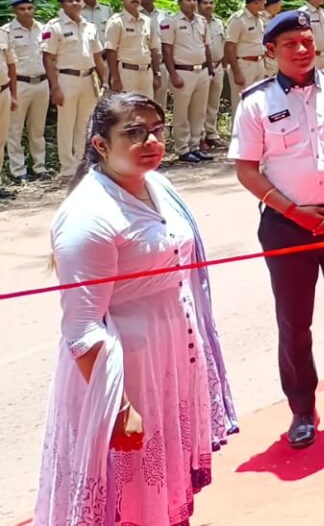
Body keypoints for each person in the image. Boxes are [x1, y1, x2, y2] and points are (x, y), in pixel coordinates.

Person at [34, 92, 237, 526]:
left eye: (157, 130)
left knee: (164, 487)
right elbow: (81, 328)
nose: (151, 141)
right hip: (124, 374)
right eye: (135, 132)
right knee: (127, 492)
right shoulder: (88, 216)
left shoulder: (157, 185)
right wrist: (121, 408)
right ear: (100, 144)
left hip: (168, 359)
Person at [228, 10, 324, 449]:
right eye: (291, 44)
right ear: (271, 51)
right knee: (293, 320)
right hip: (287, 226)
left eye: (307, 41)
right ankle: (302, 409)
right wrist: (293, 212)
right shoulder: (256, 103)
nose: (303, 50)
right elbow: (247, 169)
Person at [43, 0, 108, 177]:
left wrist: (104, 81)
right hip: (66, 78)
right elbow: (48, 58)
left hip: (88, 78)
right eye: (70, 0)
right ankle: (67, 167)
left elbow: (97, 56)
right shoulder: (54, 27)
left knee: (85, 123)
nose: (75, 3)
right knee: (67, 123)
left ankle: (83, 162)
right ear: (62, 5)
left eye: (78, 0)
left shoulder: (89, 26)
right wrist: (54, 87)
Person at [162, 0, 215, 164]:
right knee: (182, 112)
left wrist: (210, 70)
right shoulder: (171, 21)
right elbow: (167, 50)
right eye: (188, 0)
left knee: (198, 111)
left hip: (202, 71)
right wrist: (173, 74)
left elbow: (206, 46)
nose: (192, 3)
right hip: (183, 71)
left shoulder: (201, 21)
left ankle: (195, 145)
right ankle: (182, 148)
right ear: (179, 3)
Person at [7, 0, 50, 181]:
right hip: (19, 84)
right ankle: (18, 171)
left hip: (42, 83)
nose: (26, 12)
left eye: (29, 8)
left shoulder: (44, 29)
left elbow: (50, 55)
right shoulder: (6, 32)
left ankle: (40, 167)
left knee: (37, 129)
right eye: (22, 9)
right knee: (14, 130)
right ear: (14, 10)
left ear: (34, 9)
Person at [102, 0, 161, 99]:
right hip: (127, 72)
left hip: (146, 72)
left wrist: (157, 73)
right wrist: (115, 77)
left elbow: (153, 48)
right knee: (128, 106)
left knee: (146, 106)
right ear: (122, 0)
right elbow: (111, 51)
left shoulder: (147, 21)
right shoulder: (116, 22)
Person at [224, 0, 269, 96]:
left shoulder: (260, 18)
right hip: (244, 65)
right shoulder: (238, 19)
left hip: (259, 64)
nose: (266, 2)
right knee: (242, 99)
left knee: (258, 99)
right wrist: (236, 72)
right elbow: (230, 45)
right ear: (256, 2)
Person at [198, 0, 228, 152]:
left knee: (213, 103)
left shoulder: (219, 23)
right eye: (205, 3)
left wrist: (224, 64)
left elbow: (224, 44)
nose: (209, 6)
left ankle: (211, 134)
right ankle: (199, 136)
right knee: (199, 105)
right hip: (201, 67)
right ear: (198, 5)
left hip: (217, 66)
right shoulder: (196, 23)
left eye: (211, 2)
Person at [138, 0, 170, 109]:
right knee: (141, 105)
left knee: (160, 105)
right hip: (141, 67)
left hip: (161, 66)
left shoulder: (164, 15)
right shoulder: (133, 14)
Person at [0, 18, 13, 197]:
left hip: (4, 91)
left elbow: (11, 64)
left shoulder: (3, 34)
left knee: (1, 140)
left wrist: (14, 94)